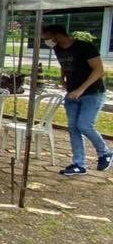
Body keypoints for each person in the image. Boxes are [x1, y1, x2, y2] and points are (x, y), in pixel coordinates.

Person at [42, 24, 110, 176]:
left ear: (57, 35)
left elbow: (99, 70)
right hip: (72, 93)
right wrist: (62, 78)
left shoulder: (85, 47)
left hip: (92, 93)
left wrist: (81, 89)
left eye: (47, 38)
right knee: (73, 128)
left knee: (85, 125)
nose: (46, 41)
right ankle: (79, 164)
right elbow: (64, 63)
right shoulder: (58, 48)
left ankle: (105, 152)